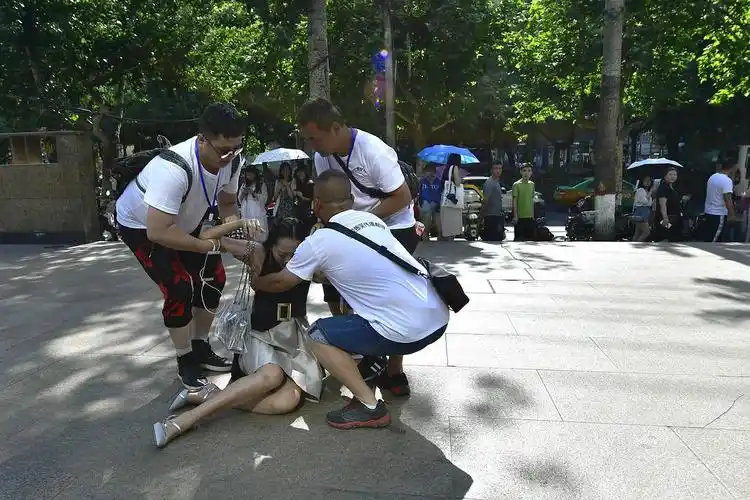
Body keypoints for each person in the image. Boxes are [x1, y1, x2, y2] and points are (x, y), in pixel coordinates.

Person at [238, 170, 449, 429]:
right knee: (377, 312)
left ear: (317, 203)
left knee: (318, 335)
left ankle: (369, 406)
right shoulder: (371, 221)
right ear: (351, 200)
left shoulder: (320, 240)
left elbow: (281, 282)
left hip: (406, 331)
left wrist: (257, 281)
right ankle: (383, 368)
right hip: (438, 318)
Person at [115, 102, 260, 390]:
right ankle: (185, 359)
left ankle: (200, 345)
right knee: (179, 286)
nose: (230, 156)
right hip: (143, 227)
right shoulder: (174, 168)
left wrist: (234, 234)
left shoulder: (232, 160)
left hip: (184, 220)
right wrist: (212, 245)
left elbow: (227, 203)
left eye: (237, 148)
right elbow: (159, 231)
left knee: (213, 279)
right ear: (202, 139)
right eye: (223, 150)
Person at [153, 218, 323, 448]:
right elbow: (205, 236)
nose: (288, 261)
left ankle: (207, 394)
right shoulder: (257, 252)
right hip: (261, 337)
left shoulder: (309, 258)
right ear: (271, 245)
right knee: (272, 375)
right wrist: (239, 223)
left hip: (293, 338)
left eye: (294, 254)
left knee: (287, 401)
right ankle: (184, 421)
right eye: (282, 254)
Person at [296, 97, 418, 397]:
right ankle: (359, 356)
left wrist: (362, 222)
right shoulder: (323, 157)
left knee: (389, 300)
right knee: (343, 293)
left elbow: (401, 197)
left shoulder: (372, 150)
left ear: (336, 128)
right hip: (351, 230)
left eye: (314, 138)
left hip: (393, 227)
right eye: (308, 139)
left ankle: (394, 371)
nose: (312, 146)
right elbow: (325, 198)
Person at [703, 161, 737, 242]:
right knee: (715, 239)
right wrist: (732, 215)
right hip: (718, 213)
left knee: (709, 237)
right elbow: (728, 199)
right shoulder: (727, 180)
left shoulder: (712, 177)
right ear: (732, 168)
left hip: (708, 211)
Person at [239, 167, 268, 243]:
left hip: (257, 212)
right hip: (246, 212)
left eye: (250, 173)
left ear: (255, 174)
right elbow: (239, 199)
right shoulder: (244, 185)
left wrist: (253, 193)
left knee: (259, 235)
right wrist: (243, 193)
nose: (249, 176)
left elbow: (264, 199)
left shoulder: (261, 184)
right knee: (248, 235)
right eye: (247, 174)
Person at [653, 167, 683, 242]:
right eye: (670, 174)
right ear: (665, 176)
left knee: (673, 238)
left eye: (675, 174)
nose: (673, 176)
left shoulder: (671, 187)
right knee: (666, 238)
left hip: (674, 218)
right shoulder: (663, 188)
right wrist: (665, 218)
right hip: (666, 219)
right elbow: (662, 205)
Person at [439, 153, 464, 239]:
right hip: (452, 202)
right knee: (452, 228)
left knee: (446, 227)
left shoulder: (447, 169)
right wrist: (461, 180)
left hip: (446, 200)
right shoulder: (455, 167)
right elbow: (457, 183)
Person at [481, 162, 506, 241]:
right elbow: (485, 201)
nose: (498, 170)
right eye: (496, 168)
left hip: (497, 216)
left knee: (498, 239)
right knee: (492, 240)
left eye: (500, 168)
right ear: (491, 170)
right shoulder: (489, 183)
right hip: (490, 217)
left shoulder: (497, 182)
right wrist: (481, 217)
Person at [418, 163, 442, 240]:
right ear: (425, 172)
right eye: (428, 171)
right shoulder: (422, 181)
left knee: (439, 224)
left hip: (437, 204)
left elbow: (442, 193)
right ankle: (424, 237)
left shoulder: (439, 181)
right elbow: (418, 192)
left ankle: (440, 238)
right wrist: (419, 203)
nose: (430, 173)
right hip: (425, 204)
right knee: (425, 223)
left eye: (432, 171)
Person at [512, 163, 535, 241]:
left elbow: (532, 200)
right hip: (520, 217)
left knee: (529, 240)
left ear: (531, 172)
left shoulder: (532, 184)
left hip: (529, 217)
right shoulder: (516, 185)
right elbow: (514, 201)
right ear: (521, 172)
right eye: (524, 170)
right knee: (519, 240)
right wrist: (515, 216)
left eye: (529, 171)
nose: (526, 173)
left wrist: (533, 215)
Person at [293, 166, 315, 234]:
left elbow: (312, 198)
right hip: (299, 212)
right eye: (298, 172)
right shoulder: (297, 183)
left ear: (305, 172)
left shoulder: (310, 183)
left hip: (308, 212)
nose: (300, 174)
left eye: (302, 172)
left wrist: (302, 197)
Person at [632, 175, 653, 242]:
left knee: (637, 234)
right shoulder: (640, 190)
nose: (648, 182)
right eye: (645, 180)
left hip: (645, 212)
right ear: (642, 182)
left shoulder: (646, 191)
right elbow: (644, 201)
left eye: (649, 180)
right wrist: (651, 192)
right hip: (641, 212)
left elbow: (649, 203)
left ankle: (633, 244)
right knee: (647, 232)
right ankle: (637, 245)